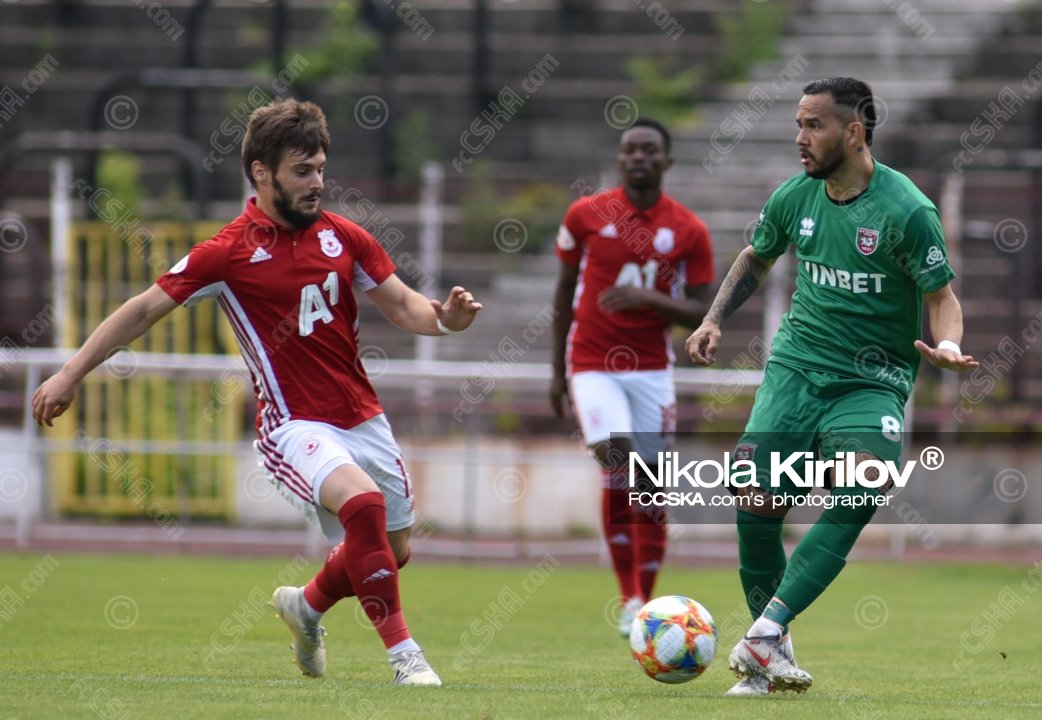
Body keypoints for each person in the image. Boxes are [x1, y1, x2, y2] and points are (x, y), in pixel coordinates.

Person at [32, 99, 481, 686]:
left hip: (363, 418)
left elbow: (402, 304)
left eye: (320, 168)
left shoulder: (344, 237)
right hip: (293, 425)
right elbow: (143, 309)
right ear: (261, 173)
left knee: (392, 552)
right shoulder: (229, 251)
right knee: (364, 505)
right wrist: (70, 372)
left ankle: (306, 606)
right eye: (302, 171)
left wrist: (445, 320)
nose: (317, 182)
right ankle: (406, 658)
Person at [685, 77, 979, 695]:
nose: (800, 137)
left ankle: (764, 632)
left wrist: (949, 345)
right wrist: (713, 319)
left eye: (813, 125)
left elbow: (941, 297)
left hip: (871, 380)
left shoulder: (908, 210)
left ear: (853, 132)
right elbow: (757, 256)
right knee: (755, 497)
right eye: (799, 124)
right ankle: (771, 655)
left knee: (862, 484)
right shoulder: (795, 196)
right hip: (796, 368)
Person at [550, 117, 715, 637]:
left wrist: (648, 298)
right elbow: (564, 292)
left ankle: (647, 595)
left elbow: (702, 311)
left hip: (652, 370)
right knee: (617, 456)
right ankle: (629, 598)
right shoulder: (586, 215)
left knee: (651, 483)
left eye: (648, 150)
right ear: (620, 159)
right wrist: (556, 371)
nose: (638, 157)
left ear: (667, 161)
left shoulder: (688, 229)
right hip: (592, 362)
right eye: (630, 150)